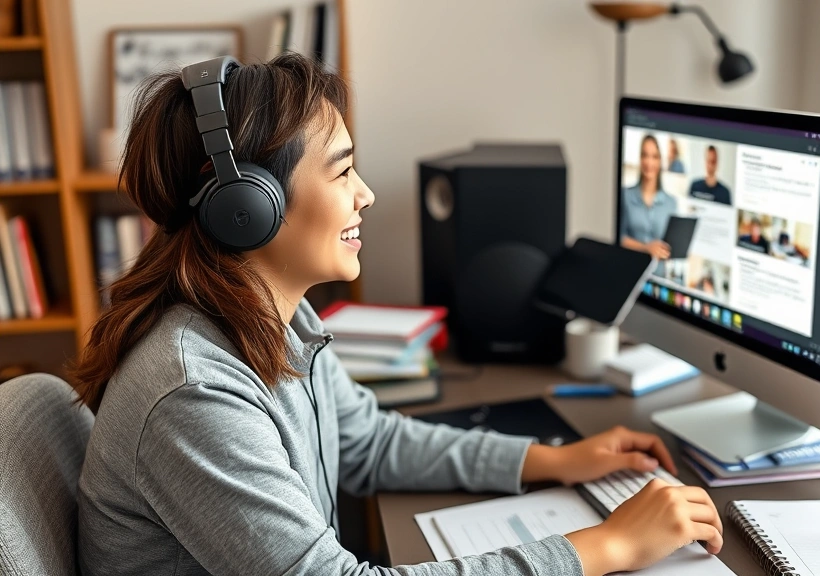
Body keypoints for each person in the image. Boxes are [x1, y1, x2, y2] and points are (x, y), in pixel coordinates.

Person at [72, 54, 723, 576]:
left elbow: (369, 441)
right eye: (342, 172)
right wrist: (605, 548)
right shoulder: (195, 394)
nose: (366, 194)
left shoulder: (271, 322)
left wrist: (553, 460)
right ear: (249, 207)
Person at [620, 135, 678, 269]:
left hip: (658, 277)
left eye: (654, 156)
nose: (649, 162)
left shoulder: (671, 203)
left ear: (660, 161)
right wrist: (646, 248)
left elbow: (671, 245)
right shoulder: (626, 195)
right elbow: (619, 237)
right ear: (640, 159)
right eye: (645, 155)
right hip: (631, 271)